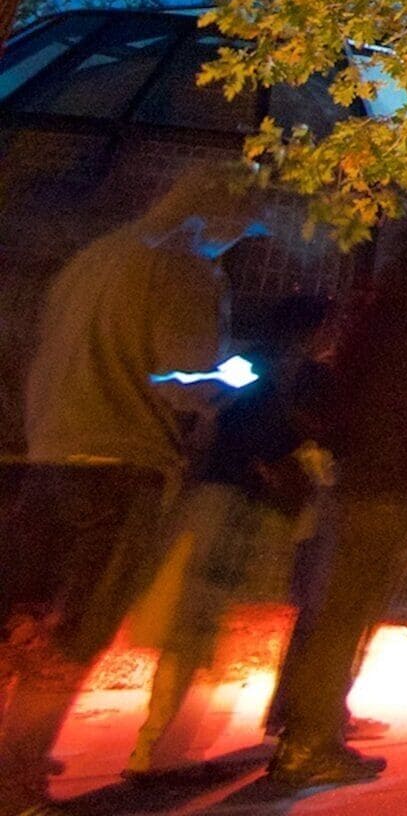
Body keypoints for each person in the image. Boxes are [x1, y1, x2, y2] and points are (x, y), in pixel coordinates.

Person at [7, 174, 270, 811]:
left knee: (22, 624)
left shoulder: (93, 259)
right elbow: (184, 380)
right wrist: (234, 378)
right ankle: (15, 786)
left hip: (48, 458)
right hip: (122, 466)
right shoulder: (184, 269)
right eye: (243, 227)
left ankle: (13, 755)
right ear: (215, 217)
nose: (240, 241)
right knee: (74, 632)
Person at [263, 225, 407, 786]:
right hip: (395, 488)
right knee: (348, 614)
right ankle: (308, 742)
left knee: (332, 610)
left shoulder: (374, 319)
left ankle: (302, 724)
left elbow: (341, 396)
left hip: (359, 481)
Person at [126, 294, 324, 780]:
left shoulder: (259, 368)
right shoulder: (269, 373)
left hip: (226, 498)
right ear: (306, 332)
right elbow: (241, 426)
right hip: (235, 501)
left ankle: (163, 747)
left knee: (203, 628)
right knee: (202, 628)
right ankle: (162, 751)